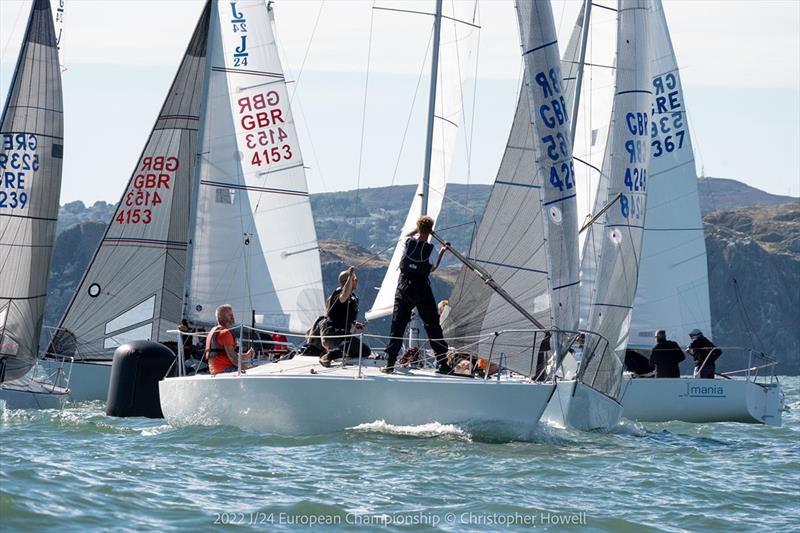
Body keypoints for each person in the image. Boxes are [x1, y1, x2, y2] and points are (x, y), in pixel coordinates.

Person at [382, 215, 451, 374]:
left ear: (417, 227)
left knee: (398, 324)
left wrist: (419, 230)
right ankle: (442, 362)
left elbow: (406, 236)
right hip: (421, 289)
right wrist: (442, 251)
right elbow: (432, 269)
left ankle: (390, 363)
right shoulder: (431, 249)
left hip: (404, 288)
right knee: (432, 324)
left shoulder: (407, 243)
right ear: (431, 229)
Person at [319, 267, 371, 367]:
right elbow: (343, 297)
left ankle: (340, 354)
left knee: (365, 351)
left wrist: (355, 323)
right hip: (333, 333)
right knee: (348, 346)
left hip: (344, 335)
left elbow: (343, 315)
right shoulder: (338, 294)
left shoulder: (353, 297)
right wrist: (350, 276)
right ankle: (327, 357)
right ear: (347, 281)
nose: (356, 281)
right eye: (354, 279)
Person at [204, 304, 255, 375]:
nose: (232, 317)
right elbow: (233, 358)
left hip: (215, 370)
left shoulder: (213, 331)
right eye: (229, 315)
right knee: (257, 369)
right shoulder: (225, 333)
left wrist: (247, 355)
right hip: (225, 369)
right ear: (220, 317)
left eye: (232, 314)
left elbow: (230, 354)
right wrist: (248, 370)